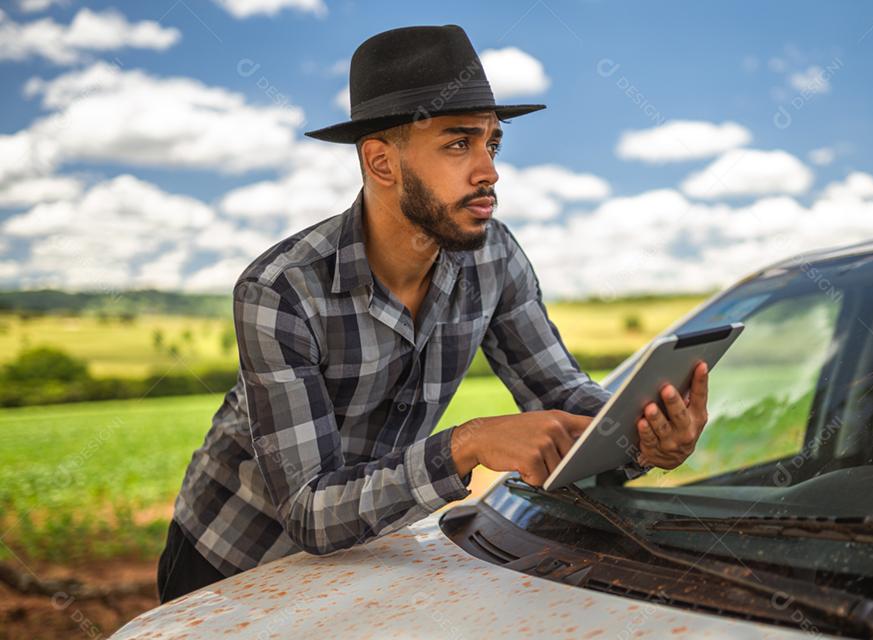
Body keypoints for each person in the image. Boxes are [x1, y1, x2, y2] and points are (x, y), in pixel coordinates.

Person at [156, 24, 709, 604]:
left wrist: (640, 439)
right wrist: (466, 445)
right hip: (232, 563)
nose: (489, 170)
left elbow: (563, 394)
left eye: (492, 144)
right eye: (457, 143)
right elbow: (310, 512)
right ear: (381, 162)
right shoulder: (280, 290)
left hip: (372, 562)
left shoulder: (495, 256)